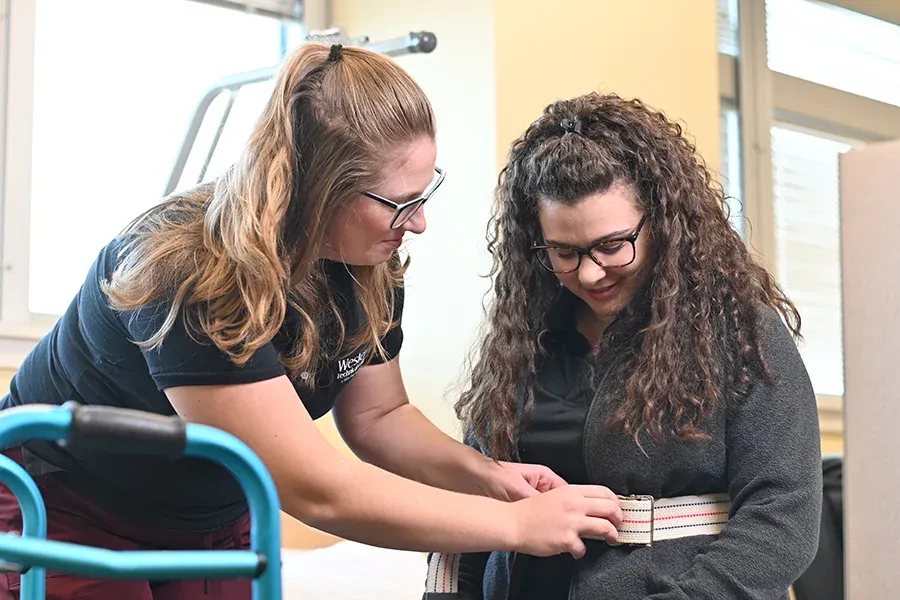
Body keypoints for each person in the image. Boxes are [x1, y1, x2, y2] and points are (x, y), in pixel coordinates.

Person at [0, 44, 625, 600]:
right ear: (318, 189)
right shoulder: (191, 268)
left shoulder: (366, 263)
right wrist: (515, 527)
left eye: (424, 193)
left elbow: (378, 417)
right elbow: (315, 489)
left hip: (209, 511)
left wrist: (488, 479)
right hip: (67, 499)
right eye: (399, 204)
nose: (418, 223)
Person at [424, 92, 823, 600]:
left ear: (664, 221)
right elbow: (474, 510)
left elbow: (782, 519)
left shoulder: (741, 331)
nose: (590, 273)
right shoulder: (520, 341)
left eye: (612, 246)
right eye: (564, 252)